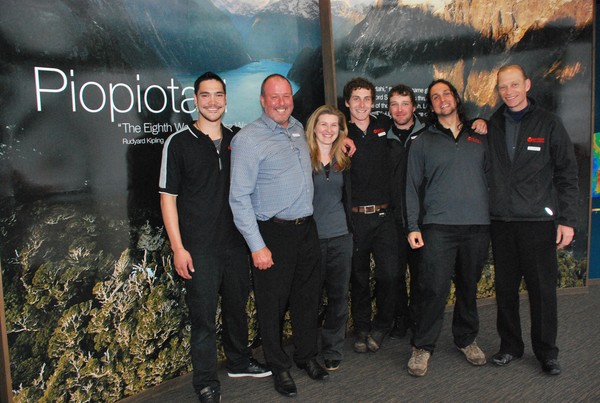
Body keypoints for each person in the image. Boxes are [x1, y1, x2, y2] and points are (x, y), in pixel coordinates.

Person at [159, 72, 270, 403]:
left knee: (237, 309)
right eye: (205, 95)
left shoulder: (239, 140)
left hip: (236, 245)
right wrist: (178, 248)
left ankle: (238, 361)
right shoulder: (178, 143)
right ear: (195, 100)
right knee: (203, 319)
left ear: (225, 99)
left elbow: (275, 152)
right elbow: (168, 198)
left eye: (218, 95)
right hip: (199, 249)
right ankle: (205, 382)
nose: (212, 102)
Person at [229, 74, 328, 398]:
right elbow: (238, 198)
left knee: (306, 300)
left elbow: (327, 144)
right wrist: (257, 246)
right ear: (262, 100)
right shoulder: (249, 139)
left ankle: (306, 356)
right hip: (273, 233)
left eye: (286, 96)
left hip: (306, 230)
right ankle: (279, 366)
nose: (282, 102)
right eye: (274, 97)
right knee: (271, 306)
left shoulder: (299, 129)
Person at [487, 64, 578, 376]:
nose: (509, 92)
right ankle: (510, 346)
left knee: (542, 291)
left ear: (527, 84)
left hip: (538, 224)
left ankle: (547, 353)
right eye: (503, 87)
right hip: (501, 222)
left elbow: (567, 172)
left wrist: (566, 219)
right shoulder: (493, 124)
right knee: (506, 290)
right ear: (498, 90)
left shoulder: (549, 123)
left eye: (514, 85)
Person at [405, 79, 490, 377]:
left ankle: (466, 339)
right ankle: (423, 346)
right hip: (438, 228)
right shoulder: (422, 141)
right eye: (435, 97)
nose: (442, 99)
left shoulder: (480, 136)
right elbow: (411, 187)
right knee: (433, 289)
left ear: (455, 98)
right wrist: (413, 226)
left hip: (477, 226)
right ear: (431, 105)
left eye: (446, 94)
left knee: (468, 286)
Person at [343, 77, 400, 354]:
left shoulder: (385, 126)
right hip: (355, 218)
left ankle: (383, 324)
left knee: (390, 275)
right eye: (356, 98)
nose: (362, 104)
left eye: (367, 98)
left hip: (384, 217)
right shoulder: (339, 132)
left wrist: (475, 122)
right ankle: (363, 327)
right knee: (358, 277)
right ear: (347, 103)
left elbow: (413, 125)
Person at [305, 105, 353, 371]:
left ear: (340, 130)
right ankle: (308, 349)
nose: (328, 130)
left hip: (340, 238)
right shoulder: (301, 157)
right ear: (314, 127)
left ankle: (333, 348)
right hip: (311, 240)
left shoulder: (344, 159)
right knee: (309, 298)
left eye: (334, 125)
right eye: (323, 124)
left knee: (338, 296)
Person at [386, 84, 427, 339]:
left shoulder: (429, 134)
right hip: (391, 220)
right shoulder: (384, 137)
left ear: (413, 106)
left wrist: (479, 122)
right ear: (388, 109)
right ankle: (400, 319)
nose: (399, 110)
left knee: (422, 275)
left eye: (404, 104)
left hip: (422, 219)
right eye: (394, 104)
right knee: (394, 274)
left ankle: (420, 321)